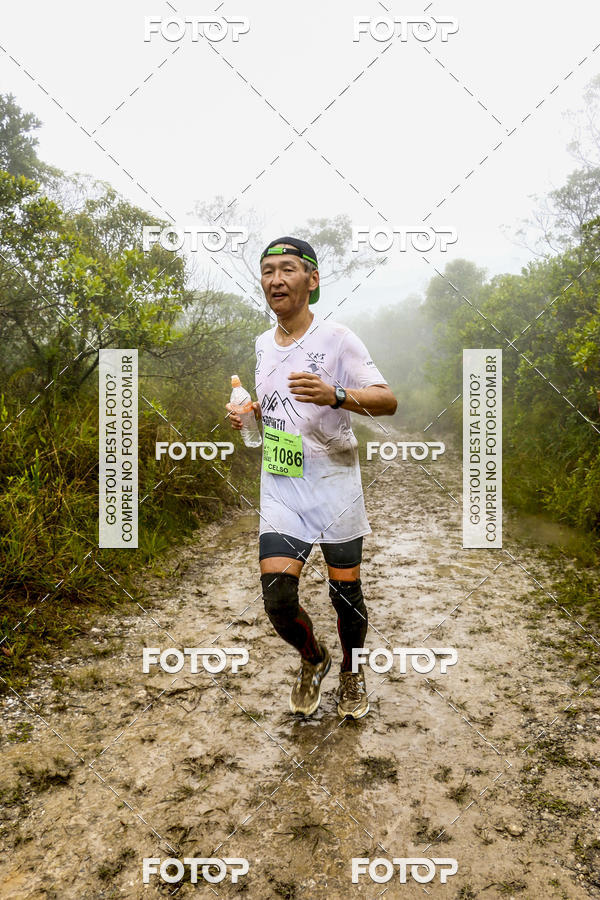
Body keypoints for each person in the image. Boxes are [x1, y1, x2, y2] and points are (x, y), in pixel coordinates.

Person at [227, 236, 397, 719]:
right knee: (277, 600)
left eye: (287, 270)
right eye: (267, 272)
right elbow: (280, 403)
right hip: (282, 484)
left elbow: (386, 400)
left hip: (334, 482)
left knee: (346, 596)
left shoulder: (338, 339)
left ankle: (351, 671)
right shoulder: (263, 344)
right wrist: (251, 413)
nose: (275, 280)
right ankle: (314, 659)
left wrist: (336, 394)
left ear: (312, 280)